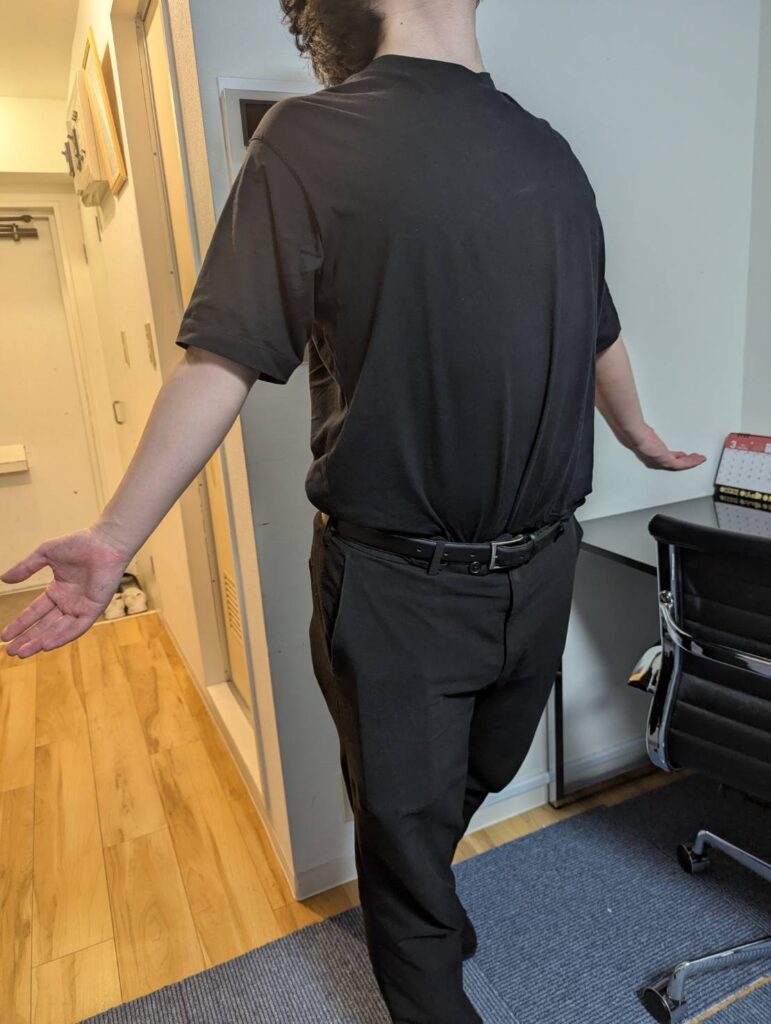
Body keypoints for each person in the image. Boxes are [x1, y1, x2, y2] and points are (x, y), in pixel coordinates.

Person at [1, 1, 706, 1021]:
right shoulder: (309, 140)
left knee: (465, 782)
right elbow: (221, 357)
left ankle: (416, 891)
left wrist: (638, 435)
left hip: (542, 561)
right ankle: (421, 944)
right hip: (396, 584)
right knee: (405, 832)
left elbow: (597, 327)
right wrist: (115, 538)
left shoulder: (549, 155)